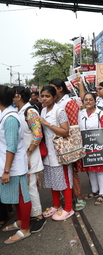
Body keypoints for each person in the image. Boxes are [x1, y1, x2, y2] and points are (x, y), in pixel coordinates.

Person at [0, 86, 32, 244]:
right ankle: (20, 221)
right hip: (10, 164)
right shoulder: (6, 115)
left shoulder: (10, 119)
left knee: (22, 197)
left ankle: (25, 228)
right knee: (17, 197)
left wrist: (6, 170)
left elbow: (11, 146)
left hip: (14, 166)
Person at [49, 78, 85, 211]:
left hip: (68, 143)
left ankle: (79, 197)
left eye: (52, 87)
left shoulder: (68, 103)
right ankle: (69, 196)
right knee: (65, 172)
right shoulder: (56, 103)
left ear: (59, 88)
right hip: (58, 143)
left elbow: (73, 127)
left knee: (72, 172)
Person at [12, 86, 46, 233]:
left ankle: (39, 216)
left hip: (29, 156)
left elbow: (38, 135)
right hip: (23, 157)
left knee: (30, 187)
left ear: (18, 96)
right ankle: (31, 214)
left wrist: (28, 152)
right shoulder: (18, 112)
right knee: (26, 187)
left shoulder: (30, 111)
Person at [39, 86, 74, 221]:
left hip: (60, 153)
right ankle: (56, 205)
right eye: (42, 96)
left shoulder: (59, 111)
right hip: (48, 153)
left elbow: (65, 131)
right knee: (53, 180)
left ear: (54, 97)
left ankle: (68, 208)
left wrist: (47, 124)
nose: (44, 99)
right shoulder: (42, 111)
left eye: (47, 96)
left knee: (64, 181)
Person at [78, 92, 103, 205]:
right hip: (87, 148)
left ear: (95, 101)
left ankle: (102, 193)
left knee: (101, 171)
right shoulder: (81, 113)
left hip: (99, 148)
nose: (88, 101)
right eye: (86, 99)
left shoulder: (101, 114)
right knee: (91, 170)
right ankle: (94, 191)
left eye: (90, 99)